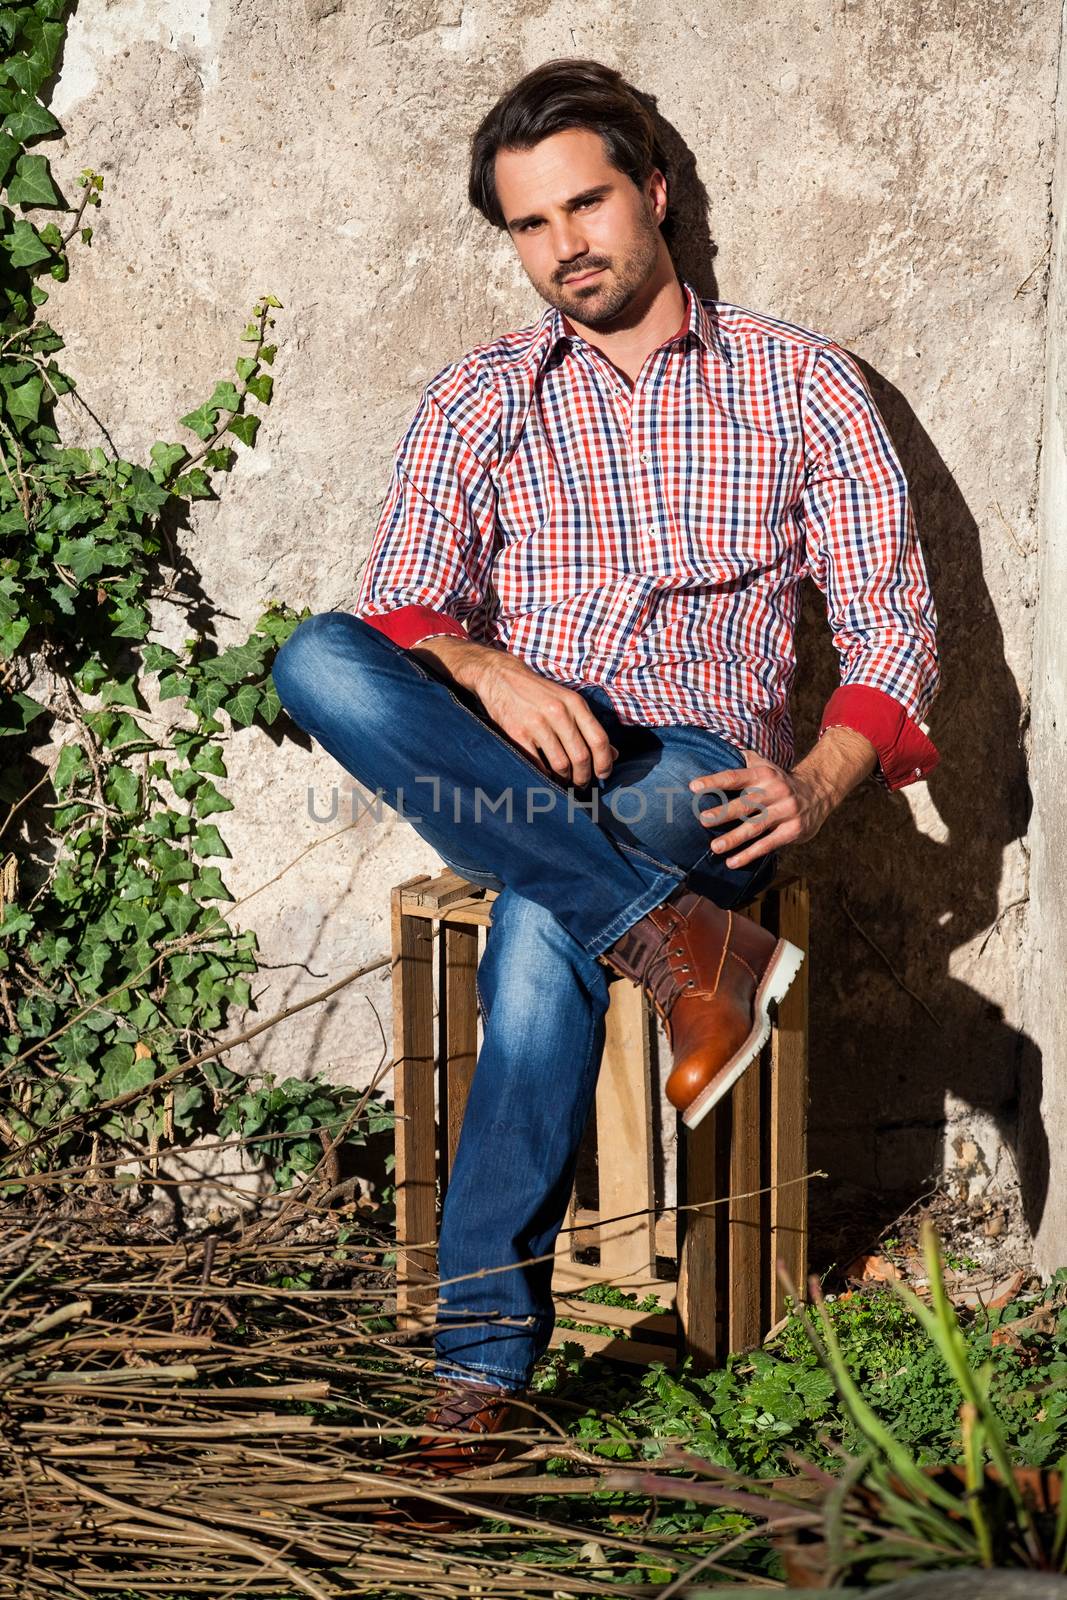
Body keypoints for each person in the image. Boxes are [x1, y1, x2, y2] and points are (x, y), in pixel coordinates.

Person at [271, 57, 941, 1514]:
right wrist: (483, 666)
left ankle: (478, 1380)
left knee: (535, 910)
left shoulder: (798, 380)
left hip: (691, 779)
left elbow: (897, 628)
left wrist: (821, 785)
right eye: (529, 225)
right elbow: (394, 617)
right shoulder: (482, 398)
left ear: (652, 193)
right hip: (524, 772)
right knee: (314, 661)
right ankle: (678, 945)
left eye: (585, 204)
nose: (564, 244)